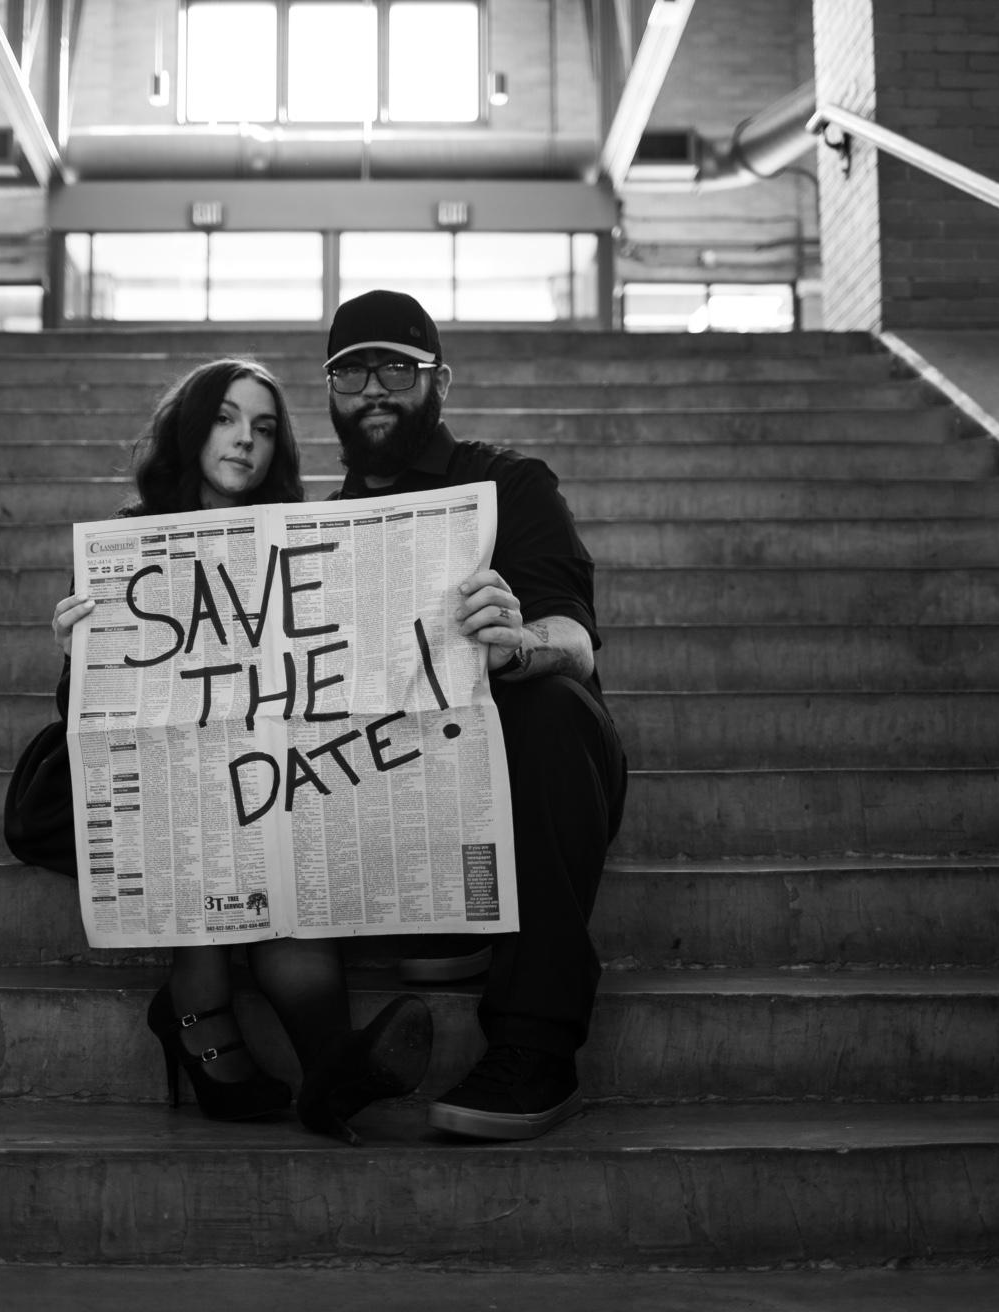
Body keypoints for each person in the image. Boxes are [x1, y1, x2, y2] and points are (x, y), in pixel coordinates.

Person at [36, 358, 432, 1141]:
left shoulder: (301, 541)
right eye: (225, 418)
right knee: (211, 805)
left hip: (267, 774)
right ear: (192, 429)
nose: (244, 439)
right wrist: (78, 654)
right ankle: (213, 1014)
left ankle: (324, 1069)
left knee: (274, 826)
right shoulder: (128, 542)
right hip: (157, 785)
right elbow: (91, 720)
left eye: (263, 426)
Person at [322, 291, 628, 1141]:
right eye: (351, 372)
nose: (373, 389)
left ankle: (537, 1046)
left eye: (397, 369)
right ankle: (446, 916)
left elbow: (575, 639)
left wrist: (519, 645)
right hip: (393, 782)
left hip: (536, 765)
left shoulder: (510, 483)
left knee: (549, 704)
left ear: (441, 381)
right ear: (331, 390)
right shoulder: (316, 528)